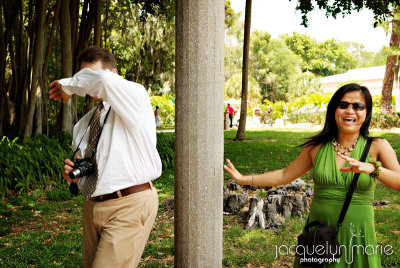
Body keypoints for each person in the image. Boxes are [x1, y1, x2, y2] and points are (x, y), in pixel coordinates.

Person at [224, 83, 400, 267]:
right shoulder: (316, 147)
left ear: (366, 112)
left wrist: (373, 169)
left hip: (358, 236)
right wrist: (244, 179)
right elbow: (285, 174)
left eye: (358, 106)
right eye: (343, 105)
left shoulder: (378, 146)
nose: (350, 111)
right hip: (321, 235)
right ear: (334, 110)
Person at [49, 46, 161, 268]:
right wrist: (74, 177)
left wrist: (68, 84)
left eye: (89, 76)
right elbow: (92, 166)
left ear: (114, 74)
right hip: (92, 206)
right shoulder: (86, 121)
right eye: (82, 75)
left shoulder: (135, 96)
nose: (86, 84)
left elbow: (104, 83)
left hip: (129, 204)